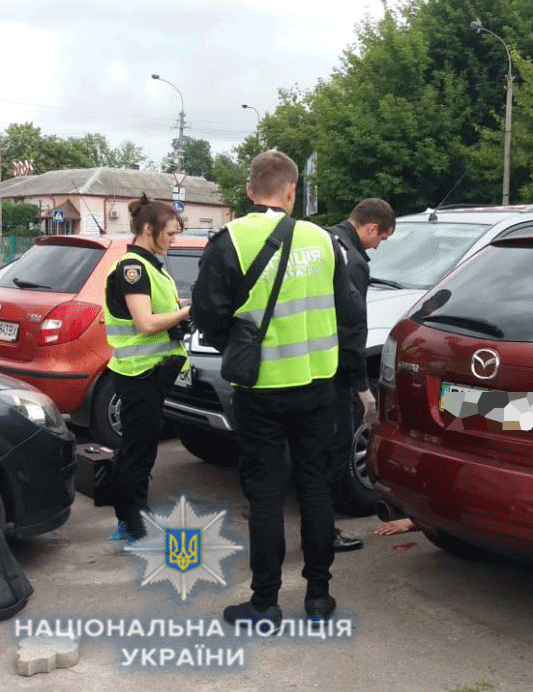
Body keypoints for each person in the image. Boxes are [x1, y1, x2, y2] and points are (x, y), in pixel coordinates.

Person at [191, 150, 365, 626]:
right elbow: (351, 313)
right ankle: (318, 598)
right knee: (316, 488)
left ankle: (265, 600)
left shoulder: (229, 240)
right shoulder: (326, 242)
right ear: (292, 191)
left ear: (250, 191)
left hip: (260, 388)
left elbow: (205, 315)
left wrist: (237, 339)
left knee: (265, 495)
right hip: (317, 387)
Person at [103, 194, 191, 542]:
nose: (173, 239)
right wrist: (187, 312)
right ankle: (132, 526)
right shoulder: (133, 268)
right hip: (139, 373)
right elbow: (146, 323)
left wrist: (179, 309)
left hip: (148, 372)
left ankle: (131, 519)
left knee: (139, 449)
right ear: (148, 229)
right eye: (169, 233)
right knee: (137, 453)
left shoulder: (150, 265)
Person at [326, 198, 396, 551]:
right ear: (370, 228)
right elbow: (353, 328)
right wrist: (361, 386)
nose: (378, 245)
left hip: (308, 364)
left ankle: (317, 528)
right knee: (334, 450)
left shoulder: (325, 241)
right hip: (335, 371)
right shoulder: (352, 262)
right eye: (380, 238)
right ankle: (325, 532)